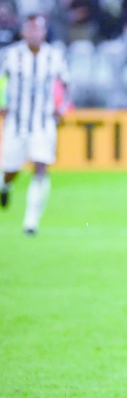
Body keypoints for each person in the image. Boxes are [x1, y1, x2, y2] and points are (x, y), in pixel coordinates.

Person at [0, 15, 69, 234]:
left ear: (44, 32)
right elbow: (1, 81)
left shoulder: (54, 56)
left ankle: (31, 222)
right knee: (11, 170)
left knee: (40, 166)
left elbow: (66, 85)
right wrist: (2, 103)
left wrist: (61, 108)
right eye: (30, 30)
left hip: (43, 122)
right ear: (23, 33)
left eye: (38, 30)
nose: (34, 34)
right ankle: (5, 185)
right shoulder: (11, 55)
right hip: (16, 122)